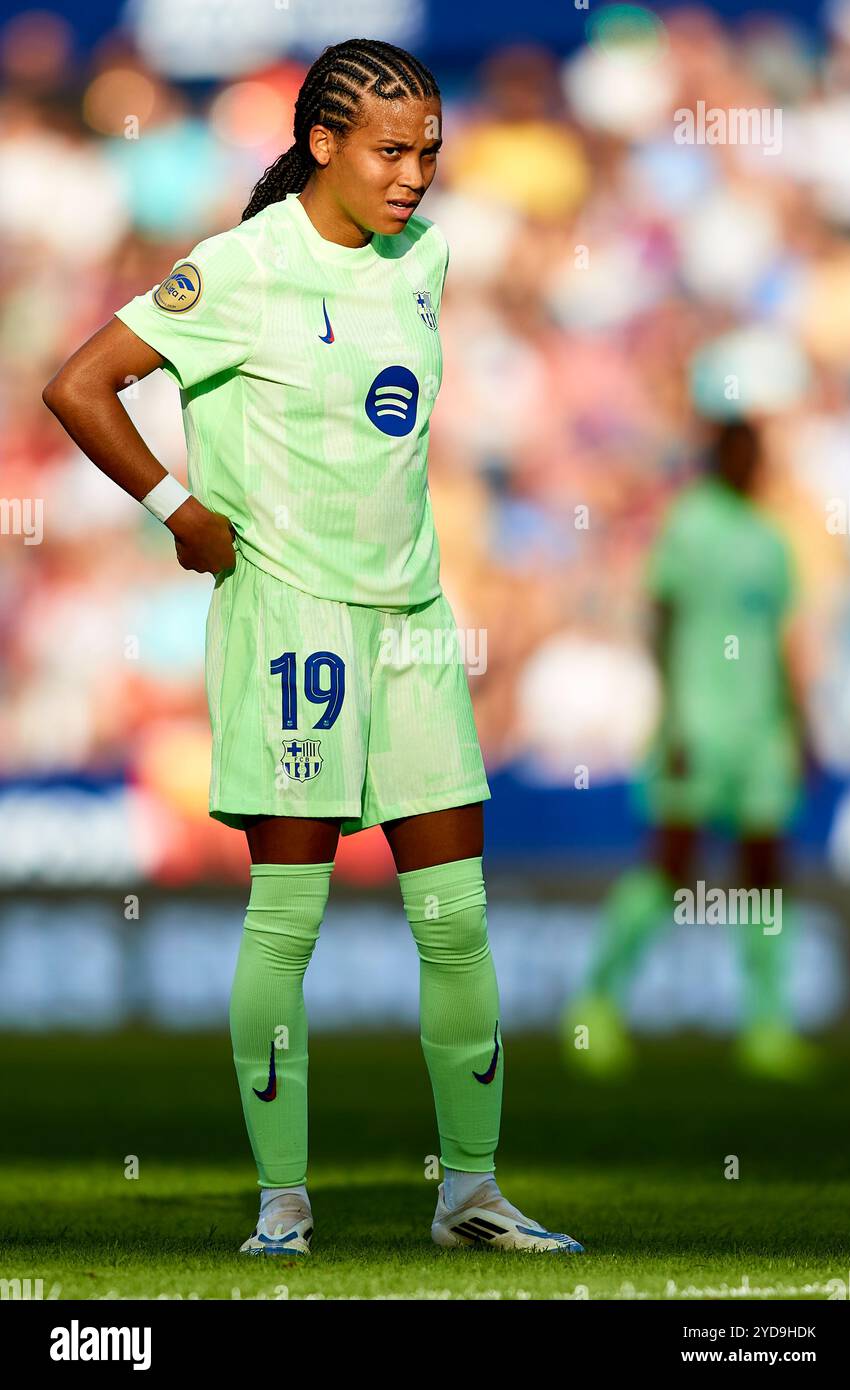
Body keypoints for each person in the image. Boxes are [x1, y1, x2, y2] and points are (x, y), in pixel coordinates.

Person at [43, 38, 582, 1256]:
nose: (413, 176)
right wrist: (174, 509)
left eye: (428, 151)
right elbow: (80, 384)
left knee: (454, 919)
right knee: (287, 920)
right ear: (323, 143)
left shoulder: (426, 260)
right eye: (390, 150)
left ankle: (472, 1195)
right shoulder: (236, 270)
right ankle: (282, 1200)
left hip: (414, 626)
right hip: (291, 622)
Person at [561, 419, 821, 1083]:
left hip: (761, 729)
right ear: (719, 457)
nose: (751, 465)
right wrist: (672, 718)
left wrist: (801, 726)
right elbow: (663, 620)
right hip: (698, 723)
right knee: (670, 862)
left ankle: (768, 1025)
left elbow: (782, 639)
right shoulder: (689, 524)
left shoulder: (771, 539)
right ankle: (595, 1006)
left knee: (764, 871)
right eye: (742, 452)